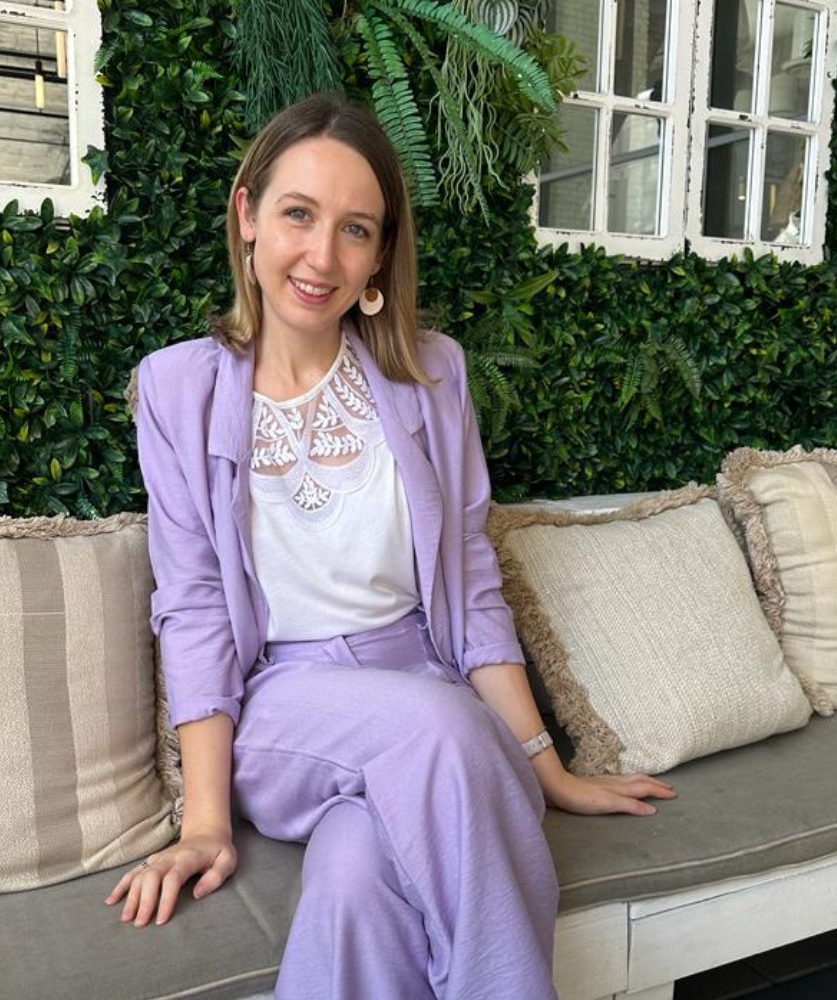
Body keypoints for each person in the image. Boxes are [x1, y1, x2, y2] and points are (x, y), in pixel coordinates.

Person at [106, 91, 676, 999]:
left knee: (357, 874)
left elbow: (471, 578)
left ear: (381, 253)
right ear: (248, 216)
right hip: (287, 711)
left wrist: (548, 768)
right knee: (444, 729)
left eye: (356, 229)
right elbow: (196, 606)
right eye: (298, 214)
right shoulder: (177, 389)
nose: (321, 257)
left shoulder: (430, 373)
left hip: (423, 681)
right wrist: (205, 822)